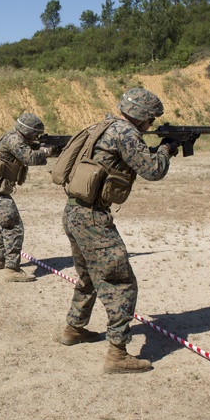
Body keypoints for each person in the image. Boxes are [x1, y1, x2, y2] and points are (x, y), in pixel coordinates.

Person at [58, 88, 177, 374]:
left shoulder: (101, 127)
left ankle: (74, 328)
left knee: (88, 276)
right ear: (140, 117)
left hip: (75, 212)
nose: (150, 125)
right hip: (93, 218)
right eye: (150, 120)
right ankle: (117, 354)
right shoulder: (126, 133)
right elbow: (153, 170)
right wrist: (166, 148)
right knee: (120, 282)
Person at [0, 113, 58, 282]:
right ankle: (12, 269)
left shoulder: (13, 137)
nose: (37, 137)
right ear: (27, 131)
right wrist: (47, 151)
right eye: (35, 134)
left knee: (5, 224)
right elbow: (29, 158)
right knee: (14, 227)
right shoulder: (14, 140)